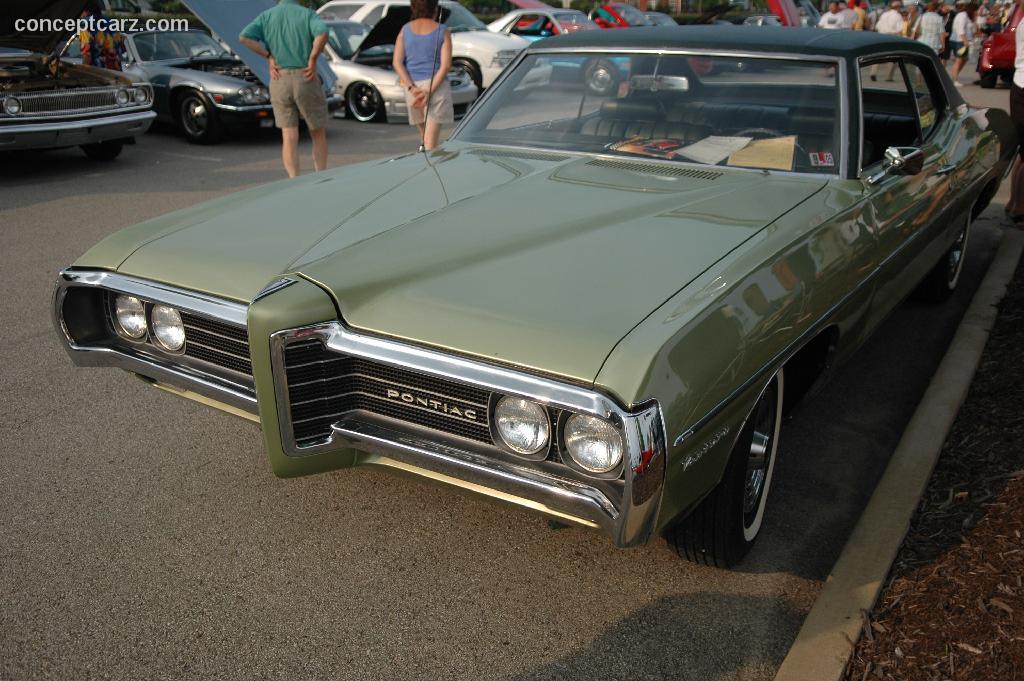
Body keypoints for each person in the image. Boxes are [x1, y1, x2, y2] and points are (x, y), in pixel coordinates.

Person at [239, 0, 330, 178]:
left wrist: (268, 56)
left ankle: (293, 179)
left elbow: (244, 37)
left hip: (279, 78)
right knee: (317, 131)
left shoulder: (267, 16)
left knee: (288, 135)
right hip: (305, 76)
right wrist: (313, 58)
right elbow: (323, 33)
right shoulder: (307, 14)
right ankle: (320, 177)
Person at [393, 0, 454, 151]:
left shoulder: (404, 30)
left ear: (413, 7)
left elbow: (397, 63)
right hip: (436, 86)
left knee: (424, 138)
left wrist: (412, 88)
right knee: (430, 141)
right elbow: (446, 66)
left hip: (413, 88)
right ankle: (430, 165)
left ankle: (425, 162)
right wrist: (428, 91)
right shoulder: (442, 31)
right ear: (435, 7)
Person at [1005, 0, 1024, 220]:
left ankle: (1014, 202)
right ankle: (1019, 209)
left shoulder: (1022, 22)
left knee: (1022, 152)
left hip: (1019, 85)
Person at [78, 2, 125, 72]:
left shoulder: (84, 24)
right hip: (116, 72)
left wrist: (83, 72)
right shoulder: (111, 23)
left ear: (85, 11)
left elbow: (87, 54)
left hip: (98, 73)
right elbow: (122, 48)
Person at [949, 2, 977, 85]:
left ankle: (954, 76)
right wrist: (965, 41)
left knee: (964, 59)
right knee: (959, 60)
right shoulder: (963, 16)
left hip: (963, 40)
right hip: (960, 41)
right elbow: (960, 29)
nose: (976, 12)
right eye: (975, 10)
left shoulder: (966, 16)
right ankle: (954, 80)